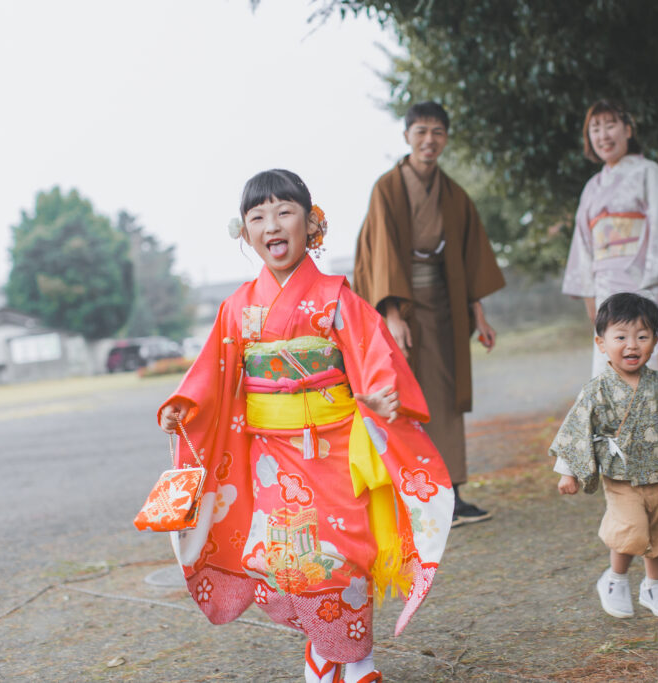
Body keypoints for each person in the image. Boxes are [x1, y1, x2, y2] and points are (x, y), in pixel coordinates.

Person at [156, 169, 454, 683]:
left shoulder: (337, 297)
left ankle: (357, 663)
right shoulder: (237, 308)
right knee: (276, 561)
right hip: (271, 457)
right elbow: (211, 372)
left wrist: (382, 392)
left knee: (343, 555)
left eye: (284, 212)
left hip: (335, 451)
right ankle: (324, 648)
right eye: (258, 217)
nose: (272, 224)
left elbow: (374, 353)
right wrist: (185, 404)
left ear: (311, 223)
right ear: (245, 232)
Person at [354, 101, 506, 527]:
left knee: (446, 398)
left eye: (438, 132)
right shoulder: (387, 188)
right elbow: (380, 253)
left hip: (445, 305)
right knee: (403, 397)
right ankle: (412, 496)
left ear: (446, 139)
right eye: (421, 131)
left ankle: (452, 493)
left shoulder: (453, 194)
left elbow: (468, 257)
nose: (429, 140)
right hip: (401, 306)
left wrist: (479, 315)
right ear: (406, 136)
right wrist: (392, 314)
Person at [562, 98, 658, 501]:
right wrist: (590, 298)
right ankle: (630, 473)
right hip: (608, 294)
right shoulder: (592, 188)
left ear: (628, 129)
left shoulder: (650, 173)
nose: (604, 135)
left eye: (610, 125)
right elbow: (584, 248)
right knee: (613, 385)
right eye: (595, 129)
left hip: (647, 287)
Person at [549, 293, 658, 619]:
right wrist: (568, 471)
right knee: (630, 529)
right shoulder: (596, 391)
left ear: (655, 341)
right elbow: (576, 429)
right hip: (622, 478)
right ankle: (615, 580)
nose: (632, 345)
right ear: (601, 343)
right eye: (621, 337)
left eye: (642, 337)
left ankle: (653, 586)